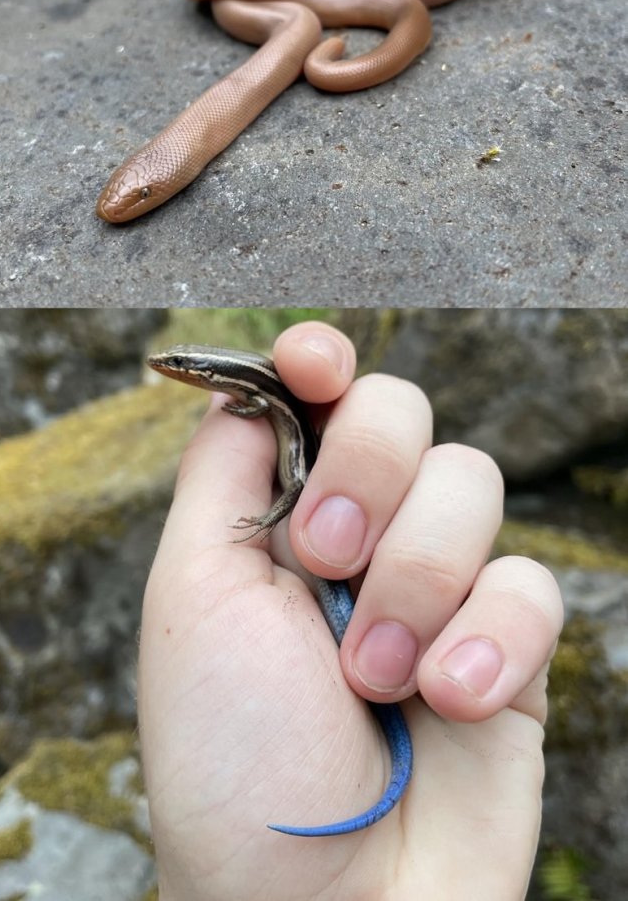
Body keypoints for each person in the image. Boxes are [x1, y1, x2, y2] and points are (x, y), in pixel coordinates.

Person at [138, 320, 564, 900]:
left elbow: (266, 412)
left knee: (312, 501)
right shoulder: (249, 404)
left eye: (182, 364)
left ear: (205, 373)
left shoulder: (255, 395)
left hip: (304, 486)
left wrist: (270, 520)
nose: (172, 368)